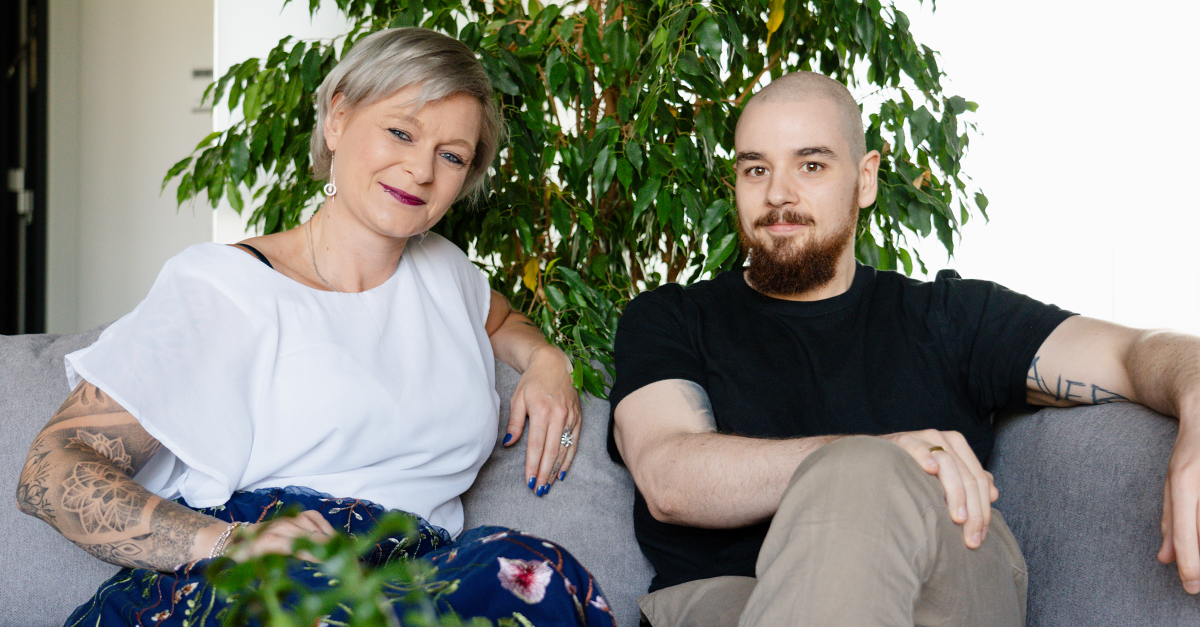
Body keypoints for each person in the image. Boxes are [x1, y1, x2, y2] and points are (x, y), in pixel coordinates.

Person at [16, 27, 614, 626]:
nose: (421, 170)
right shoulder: (224, 285)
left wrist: (545, 361)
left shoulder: (445, 271)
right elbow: (51, 470)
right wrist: (228, 545)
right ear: (337, 119)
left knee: (538, 572)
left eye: (451, 155)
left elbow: (503, 320)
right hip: (272, 578)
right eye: (401, 132)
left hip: (418, 578)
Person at [608, 70, 1200, 626]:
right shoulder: (671, 317)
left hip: (940, 587)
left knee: (866, 478)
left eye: (811, 165)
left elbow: (1133, 353)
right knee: (860, 469)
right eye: (755, 170)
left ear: (865, 179)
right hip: (728, 601)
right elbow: (668, 478)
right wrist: (878, 453)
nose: (778, 194)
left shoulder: (950, 316)